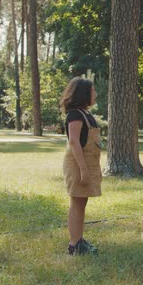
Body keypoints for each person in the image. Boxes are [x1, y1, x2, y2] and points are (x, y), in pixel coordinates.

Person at [60, 77, 102, 255]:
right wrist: (83, 169)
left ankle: (79, 239)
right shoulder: (75, 115)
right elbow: (74, 142)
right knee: (76, 203)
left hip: (89, 162)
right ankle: (73, 244)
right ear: (83, 94)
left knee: (81, 203)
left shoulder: (85, 113)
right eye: (92, 91)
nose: (95, 94)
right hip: (78, 164)